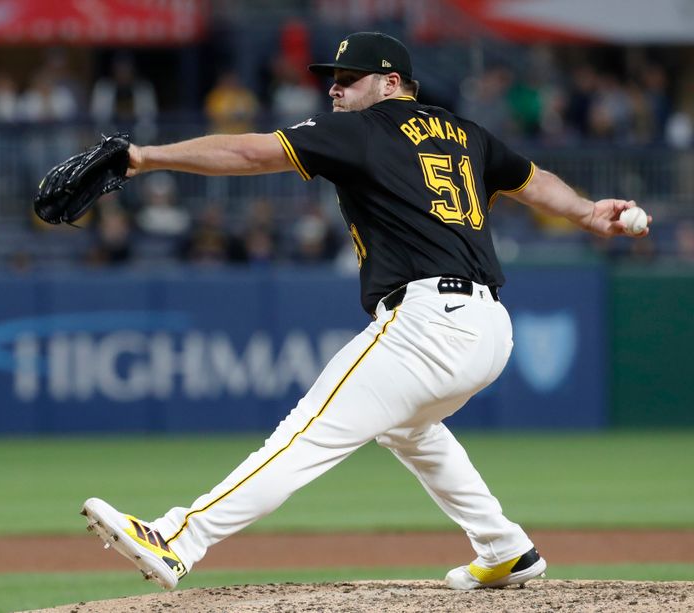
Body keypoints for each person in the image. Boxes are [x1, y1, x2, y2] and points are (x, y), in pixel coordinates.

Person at [82, 32, 651, 591]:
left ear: (391, 82)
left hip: (428, 321)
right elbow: (531, 180)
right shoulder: (465, 132)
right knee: (410, 430)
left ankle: (179, 538)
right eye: (333, 79)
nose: (335, 89)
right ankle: (504, 547)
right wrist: (584, 210)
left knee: (304, 433)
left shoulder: (361, 129)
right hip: (490, 330)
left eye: (349, 79)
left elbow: (249, 151)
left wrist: (142, 157)